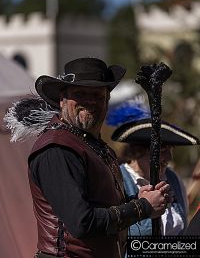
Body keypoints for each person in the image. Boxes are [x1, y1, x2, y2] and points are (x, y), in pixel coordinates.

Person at [5, 57, 171, 258]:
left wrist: (139, 199)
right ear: (62, 100)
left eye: (97, 95)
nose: (90, 101)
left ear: (107, 100)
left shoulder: (95, 147)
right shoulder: (57, 148)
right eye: (80, 94)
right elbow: (82, 222)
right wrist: (143, 207)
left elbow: (102, 207)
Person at [106, 100, 200, 236]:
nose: (169, 157)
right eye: (162, 150)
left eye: (170, 149)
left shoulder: (173, 179)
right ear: (138, 151)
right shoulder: (116, 180)